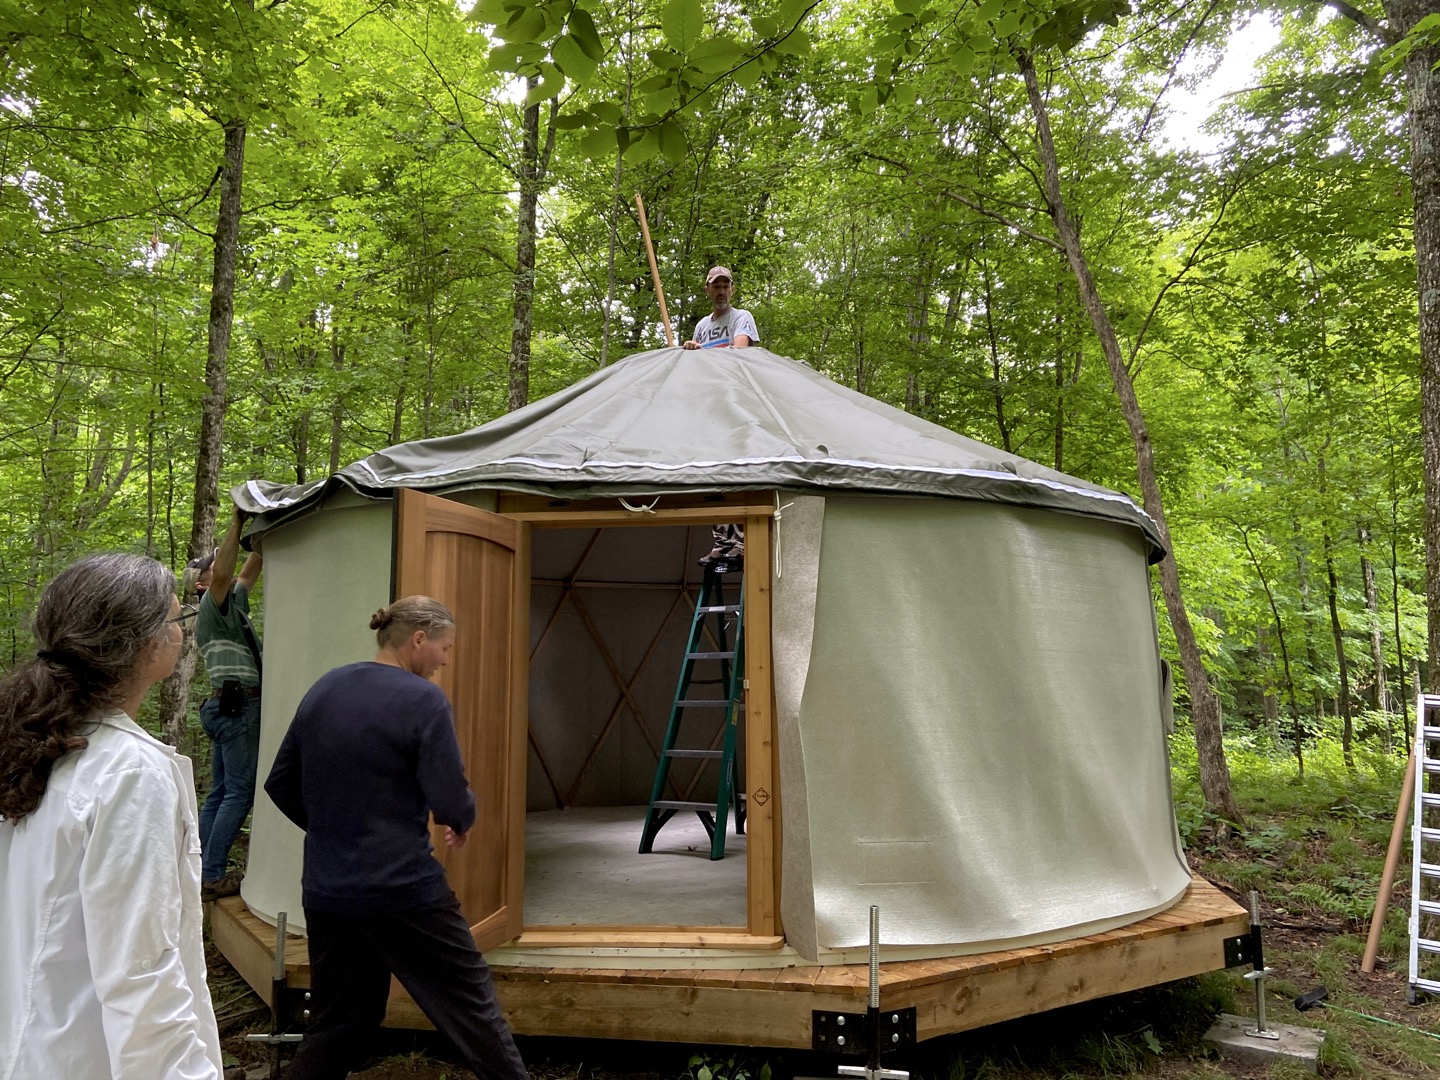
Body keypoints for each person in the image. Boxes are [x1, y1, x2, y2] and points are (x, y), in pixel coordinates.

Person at [265, 596, 528, 1080]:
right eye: (446, 648)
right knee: (472, 1011)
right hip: (402, 888)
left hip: (326, 888)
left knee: (340, 1023)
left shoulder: (326, 687)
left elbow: (281, 784)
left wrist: (338, 830)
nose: (446, 660)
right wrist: (459, 819)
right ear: (419, 640)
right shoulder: (422, 699)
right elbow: (449, 794)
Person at [0, 554, 224, 1080]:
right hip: (83, 1059)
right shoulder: (129, 772)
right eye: (177, 619)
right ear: (144, 644)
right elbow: (142, 972)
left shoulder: (34, 743)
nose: (183, 631)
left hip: (30, 1047)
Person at [188, 504, 263, 901]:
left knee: (220, 792)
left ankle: (201, 871)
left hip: (226, 707)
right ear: (202, 583)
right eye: (214, 567)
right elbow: (224, 573)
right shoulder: (211, 605)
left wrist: (264, 532)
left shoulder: (231, 604)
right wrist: (236, 522)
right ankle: (212, 875)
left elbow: (248, 571)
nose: (222, 567)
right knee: (239, 792)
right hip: (237, 707)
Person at [683, 265, 759, 349]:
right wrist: (690, 346)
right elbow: (695, 356)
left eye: (726, 287)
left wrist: (705, 350)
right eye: (716, 287)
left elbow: (739, 351)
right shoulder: (701, 326)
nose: (721, 292)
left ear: (732, 290)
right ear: (707, 290)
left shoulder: (741, 317)